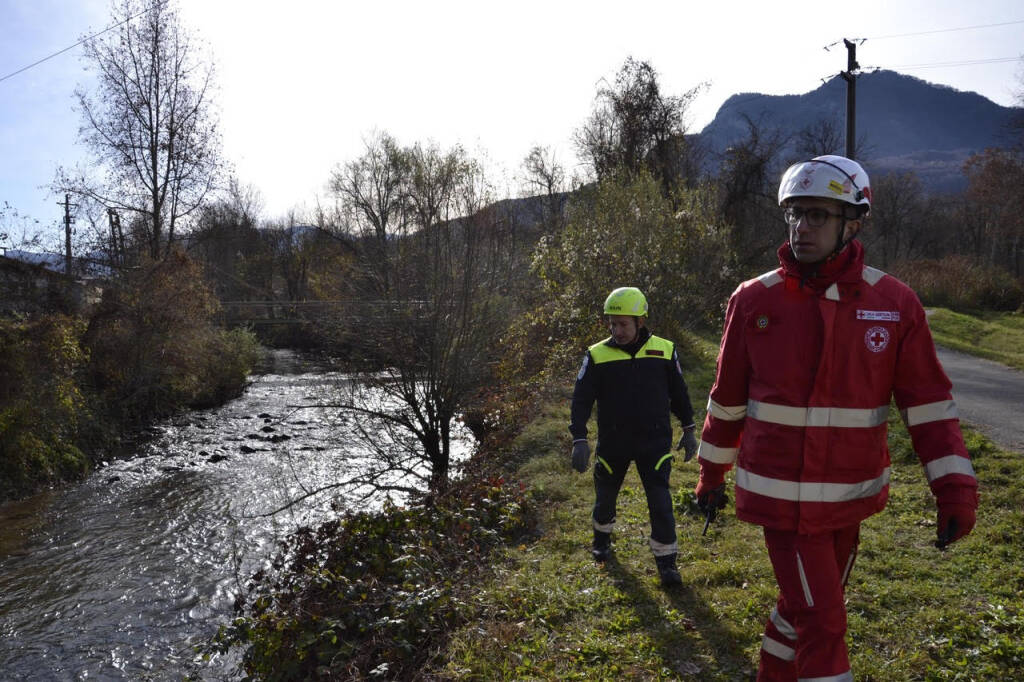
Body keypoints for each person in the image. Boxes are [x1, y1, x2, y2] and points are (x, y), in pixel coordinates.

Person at [694, 155, 979, 680]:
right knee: (824, 624)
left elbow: (929, 408)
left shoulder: (895, 303)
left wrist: (954, 490)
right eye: (795, 214)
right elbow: (726, 400)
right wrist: (711, 473)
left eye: (818, 215)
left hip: (849, 498)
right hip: (782, 501)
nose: (801, 227)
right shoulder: (754, 300)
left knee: (799, 611)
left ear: (853, 222)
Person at [570, 286, 698, 587]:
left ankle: (667, 562)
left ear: (640, 321)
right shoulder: (597, 354)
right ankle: (601, 540)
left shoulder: (664, 350)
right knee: (605, 498)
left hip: (654, 442)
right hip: (613, 442)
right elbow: (581, 400)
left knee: (661, 503)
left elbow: (679, 393)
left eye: (623, 324)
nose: (616, 331)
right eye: (612, 324)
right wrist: (579, 439)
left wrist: (689, 428)